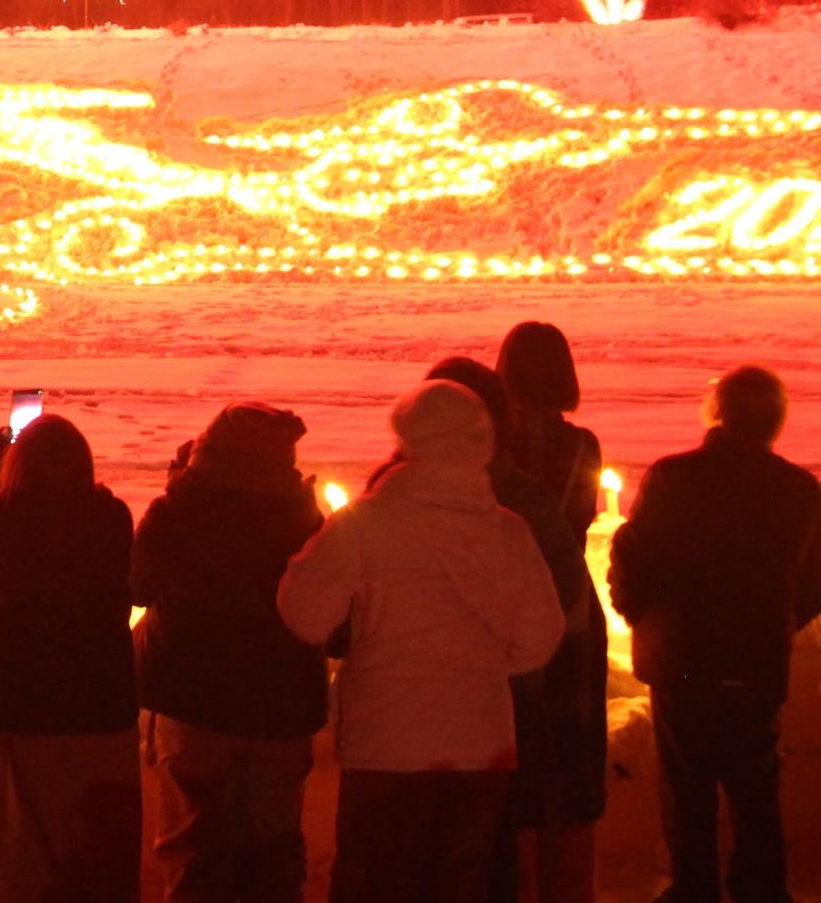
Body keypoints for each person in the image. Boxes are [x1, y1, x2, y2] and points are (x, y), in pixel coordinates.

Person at [277, 378, 565, 903]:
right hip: (481, 748)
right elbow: (540, 640)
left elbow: (305, 615)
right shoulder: (510, 534)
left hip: (386, 745)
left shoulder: (366, 524)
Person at [609, 365, 821, 903]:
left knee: (686, 789)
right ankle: (762, 890)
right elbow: (814, 582)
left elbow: (632, 562)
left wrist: (647, 623)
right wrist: (776, 626)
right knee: (756, 792)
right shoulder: (799, 489)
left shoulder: (673, 478)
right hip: (757, 663)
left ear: (718, 413)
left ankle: (693, 889)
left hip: (682, 662)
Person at [131, 403, 326, 903]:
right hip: (279, 709)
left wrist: (175, 487)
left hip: (190, 703)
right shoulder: (305, 517)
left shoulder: (181, 509)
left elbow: (135, 584)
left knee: (192, 857)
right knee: (275, 859)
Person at [0, 411, 139, 903]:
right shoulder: (112, 517)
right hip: (104, 704)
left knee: (18, 850)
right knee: (99, 850)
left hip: (21, 704)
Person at [494, 323, 610, 903]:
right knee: (572, 757)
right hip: (571, 606)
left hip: (509, 605)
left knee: (518, 762)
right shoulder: (583, 445)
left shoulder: (490, 449)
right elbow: (582, 520)